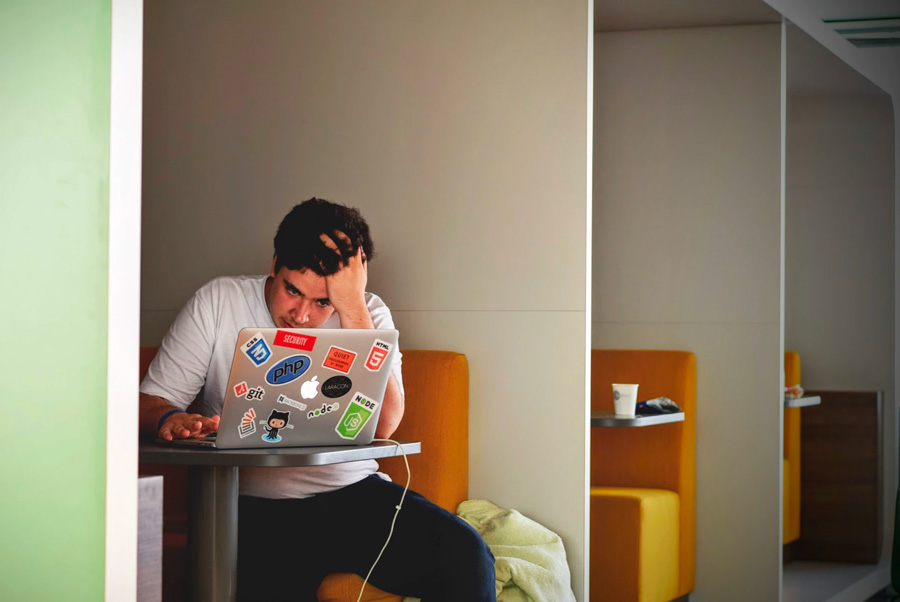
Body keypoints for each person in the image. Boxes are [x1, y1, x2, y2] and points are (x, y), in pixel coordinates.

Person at [138, 198, 496, 602]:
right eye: (293, 291)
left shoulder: (367, 312)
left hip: (354, 495)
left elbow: (384, 425)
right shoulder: (218, 301)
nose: (302, 315)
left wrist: (352, 307)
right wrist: (171, 418)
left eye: (322, 301)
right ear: (275, 264)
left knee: (467, 555)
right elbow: (149, 402)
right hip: (254, 507)